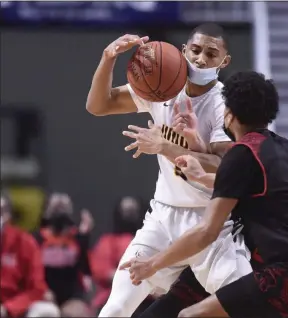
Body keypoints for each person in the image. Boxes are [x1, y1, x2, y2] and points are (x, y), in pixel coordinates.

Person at [122, 71, 288, 317]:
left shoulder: (243, 154)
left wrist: (152, 264)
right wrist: (200, 176)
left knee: (190, 316)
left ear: (228, 114)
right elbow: (248, 185)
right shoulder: (282, 147)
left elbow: (206, 232)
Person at [86, 23, 252, 317]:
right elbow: (99, 105)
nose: (201, 59)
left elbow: (228, 168)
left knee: (248, 305)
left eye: (211, 54)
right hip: (162, 216)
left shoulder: (224, 104)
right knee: (114, 309)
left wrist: (165, 146)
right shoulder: (161, 85)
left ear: (224, 62)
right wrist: (108, 57)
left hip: (211, 221)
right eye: (196, 50)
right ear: (184, 50)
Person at [1, 192, 60, 318]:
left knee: (48, 311)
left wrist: (8, 308)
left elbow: (37, 288)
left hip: (17, 307)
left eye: (1, 212)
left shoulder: (25, 242)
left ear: (8, 216)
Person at [33, 193, 93, 317]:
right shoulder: (36, 239)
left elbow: (86, 269)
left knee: (77, 314)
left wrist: (84, 238)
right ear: (46, 211)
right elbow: (32, 272)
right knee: (47, 313)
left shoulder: (78, 238)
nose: (60, 213)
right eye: (56, 208)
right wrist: (42, 291)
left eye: (64, 208)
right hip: (43, 292)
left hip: (72, 294)